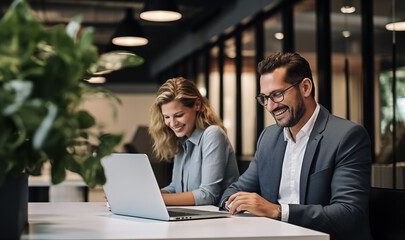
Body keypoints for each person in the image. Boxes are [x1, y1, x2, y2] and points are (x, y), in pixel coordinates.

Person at [219, 52, 372, 240]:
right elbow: (232, 192)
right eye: (264, 98)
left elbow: (348, 213)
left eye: (277, 95)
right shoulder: (268, 138)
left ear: (306, 87)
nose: (270, 107)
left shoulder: (347, 136)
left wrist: (277, 211)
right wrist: (232, 203)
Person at [149, 77, 239, 206]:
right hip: (193, 217)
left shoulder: (212, 134)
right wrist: (148, 195)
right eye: (167, 117)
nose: (173, 123)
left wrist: (154, 199)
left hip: (217, 220)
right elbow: (175, 188)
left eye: (179, 115)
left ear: (197, 105)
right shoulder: (182, 140)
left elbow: (208, 195)